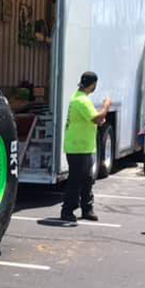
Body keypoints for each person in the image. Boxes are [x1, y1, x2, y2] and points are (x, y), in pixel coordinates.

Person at [61, 71, 111, 222]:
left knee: (88, 179)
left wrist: (98, 119)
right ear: (93, 84)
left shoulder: (80, 99)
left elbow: (91, 118)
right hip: (78, 147)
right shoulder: (82, 100)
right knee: (76, 180)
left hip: (84, 146)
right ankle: (67, 210)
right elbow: (96, 118)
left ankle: (87, 208)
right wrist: (106, 106)